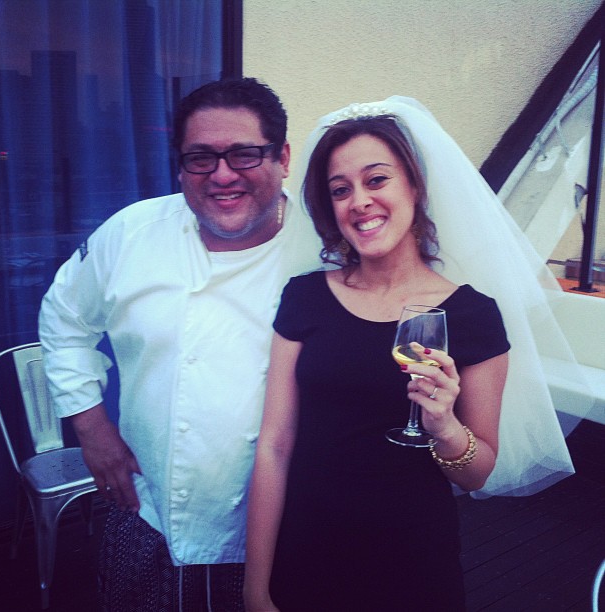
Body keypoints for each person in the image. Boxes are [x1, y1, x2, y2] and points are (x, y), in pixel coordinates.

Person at [243, 97, 582, 611]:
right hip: (306, 550)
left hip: (411, 562)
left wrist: (444, 425)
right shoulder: (305, 296)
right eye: (340, 189)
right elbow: (274, 445)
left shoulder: (473, 315)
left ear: (415, 187)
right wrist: (255, 587)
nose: (359, 201)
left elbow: (475, 473)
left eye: (376, 180)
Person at [38, 77, 323, 611]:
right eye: (200, 158)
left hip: (291, 522)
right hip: (147, 512)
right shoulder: (131, 233)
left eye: (244, 154)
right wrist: (91, 427)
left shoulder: (323, 246)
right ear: (180, 166)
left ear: (283, 157)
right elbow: (63, 318)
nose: (222, 175)